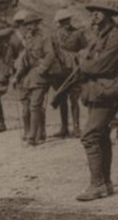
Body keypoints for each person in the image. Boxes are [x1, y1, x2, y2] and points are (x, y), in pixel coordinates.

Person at [75, 0, 118, 200]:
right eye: (92, 12)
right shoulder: (99, 36)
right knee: (101, 136)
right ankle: (105, 184)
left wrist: (83, 63)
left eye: (99, 11)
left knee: (89, 136)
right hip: (96, 93)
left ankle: (97, 185)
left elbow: (102, 66)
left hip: (107, 93)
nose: (94, 15)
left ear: (108, 14)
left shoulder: (116, 37)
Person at [11, 9, 56, 146]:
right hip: (29, 78)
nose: (30, 27)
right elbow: (25, 60)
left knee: (35, 106)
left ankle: (32, 137)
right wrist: (17, 77)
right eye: (28, 24)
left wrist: (42, 69)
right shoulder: (28, 39)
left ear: (37, 24)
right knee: (32, 107)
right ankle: (40, 133)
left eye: (32, 24)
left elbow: (50, 55)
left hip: (41, 77)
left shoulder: (45, 37)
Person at [50, 9, 85, 138]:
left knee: (74, 100)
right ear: (59, 22)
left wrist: (77, 59)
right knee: (61, 99)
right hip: (60, 71)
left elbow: (84, 50)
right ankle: (64, 128)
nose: (66, 23)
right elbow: (52, 52)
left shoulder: (78, 33)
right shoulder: (54, 35)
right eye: (63, 21)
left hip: (74, 70)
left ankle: (76, 128)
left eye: (67, 20)